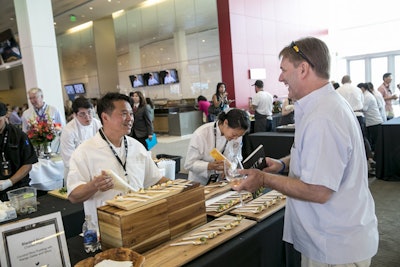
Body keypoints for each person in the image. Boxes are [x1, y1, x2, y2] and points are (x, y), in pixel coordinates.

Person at [236, 37, 378, 266]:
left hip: (334, 245)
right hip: (332, 238)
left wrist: (263, 178)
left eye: (283, 70)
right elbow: (318, 157)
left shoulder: (323, 117)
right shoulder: (322, 107)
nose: (280, 77)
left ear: (303, 69)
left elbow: (318, 191)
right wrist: (282, 165)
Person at [67, 92, 169, 228]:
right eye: (124, 114)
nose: (130, 119)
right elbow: (74, 196)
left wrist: (183, 187)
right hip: (106, 228)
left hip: (139, 221)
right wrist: (94, 185)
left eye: (131, 114)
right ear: (105, 117)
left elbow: (156, 180)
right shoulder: (84, 152)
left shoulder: (136, 146)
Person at [184, 108, 250, 185]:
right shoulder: (201, 134)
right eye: (234, 135)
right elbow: (189, 164)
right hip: (199, 182)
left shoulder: (237, 136)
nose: (236, 138)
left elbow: (237, 157)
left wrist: (230, 168)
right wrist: (209, 166)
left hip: (223, 182)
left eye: (239, 136)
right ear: (225, 123)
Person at [0, 102, 38, 201]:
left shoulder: (19, 136)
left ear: (5, 117)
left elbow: (28, 164)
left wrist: (9, 182)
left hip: (19, 189)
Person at [60, 97, 102, 180]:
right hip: (76, 172)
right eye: (82, 114)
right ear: (75, 115)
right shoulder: (68, 131)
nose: (87, 117)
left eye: (89, 112)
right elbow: (69, 159)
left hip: (96, 168)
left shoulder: (97, 124)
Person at [357, 83, 383, 153]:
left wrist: (355, 109)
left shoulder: (367, 96)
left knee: (375, 142)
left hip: (374, 122)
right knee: (373, 141)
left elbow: (364, 108)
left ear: (362, 88)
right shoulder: (367, 95)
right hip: (372, 121)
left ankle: (375, 159)